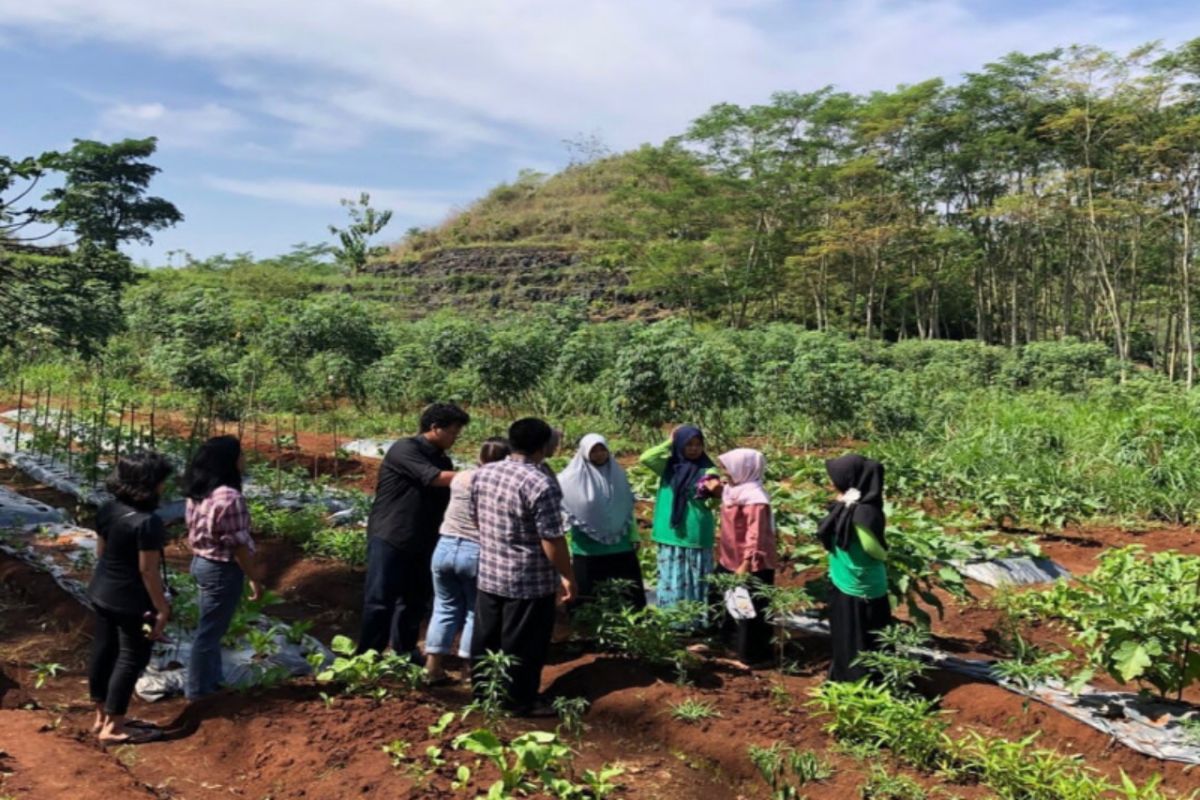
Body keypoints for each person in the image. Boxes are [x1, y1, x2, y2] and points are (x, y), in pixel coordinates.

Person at [470, 417, 577, 717]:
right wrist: (567, 576)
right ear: (544, 445)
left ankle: (483, 693)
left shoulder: (484, 473)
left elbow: (476, 517)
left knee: (487, 637)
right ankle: (520, 701)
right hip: (528, 580)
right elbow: (551, 538)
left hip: (490, 572)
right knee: (524, 644)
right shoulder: (540, 482)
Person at [358, 403, 469, 658]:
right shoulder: (406, 448)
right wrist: (480, 475)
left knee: (414, 600)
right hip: (391, 535)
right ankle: (368, 655)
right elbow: (433, 478)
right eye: (453, 432)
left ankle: (404, 651)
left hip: (424, 538)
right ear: (435, 428)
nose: (455, 438)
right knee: (380, 599)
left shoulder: (442, 457)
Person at [88, 451, 174, 744]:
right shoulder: (147, 523)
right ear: (149, 484)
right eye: (162, 481)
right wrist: (161, 607)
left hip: (101, 590)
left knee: (104, 651)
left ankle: (101, 716)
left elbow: (101, 552)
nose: (165, 487)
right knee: (130, 657)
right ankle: (115, 727)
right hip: (130, 599)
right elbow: (147, 571)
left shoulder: (107, 509)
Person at [424, 437, 511, 685]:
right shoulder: (498, 483)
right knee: (476, 612)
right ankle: (469, 670)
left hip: (445, 546)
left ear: (480, 457)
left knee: (444, 607)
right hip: (476, 551)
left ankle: (432, 667)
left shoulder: (461, 478)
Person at [184, 435, 264, 700]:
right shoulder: (230, 498)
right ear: (229, 462)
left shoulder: (199, 491)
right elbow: (238, 546)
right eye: (241, 455)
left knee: (212, 628)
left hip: (201, 563)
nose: (244, 459)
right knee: (208, 633)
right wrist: (254, 577)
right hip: (221, 570)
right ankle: (198, 691)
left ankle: (213, 681)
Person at [817, 454, 891, 682]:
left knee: (850, 637)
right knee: (863, 637)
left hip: (852, 583)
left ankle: (850, 681)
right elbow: (875, 550)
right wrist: (888, 554)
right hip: (860, 583)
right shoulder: (863, 510)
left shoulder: (853, 509)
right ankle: (860, 682)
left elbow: (867, 547)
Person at [559, 433, 645, 610]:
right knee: (589, 598)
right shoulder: (568, 480)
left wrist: (634, 535)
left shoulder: (617, 475)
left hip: (621, 546)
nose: (599, 454)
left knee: (627, 596)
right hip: (588, 549)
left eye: (602, 450)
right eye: (594, 451)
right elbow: (563, 510)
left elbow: (626, 507)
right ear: (584, 453)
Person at [708, 448, 776, 668]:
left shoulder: (755, 499)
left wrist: (746, 563)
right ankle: (732, 645)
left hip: (750, 564)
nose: (724, 473)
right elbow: (723, 492)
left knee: (749, 608)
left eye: (727, 468)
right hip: (730, 558)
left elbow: (755, 535)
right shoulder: (736, 490)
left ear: (743, 469)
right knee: (729, 603)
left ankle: (752, 655)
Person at [639, 426, 718, 613]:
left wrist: (715, 496)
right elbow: (646, 458)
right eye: (688, 444)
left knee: (695, 578)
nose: (694, 449)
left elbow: (714, 502)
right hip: (670, 532)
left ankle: (695, 620)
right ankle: (673, 620)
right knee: (671, 577)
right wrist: (670, 441)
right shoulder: (669, 468)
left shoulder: (708, 470)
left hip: (695, 531)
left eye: (698, 445)